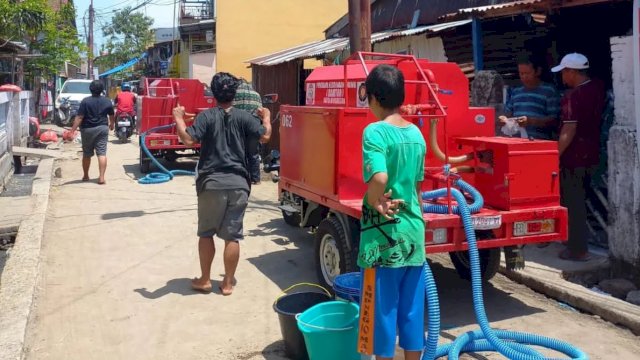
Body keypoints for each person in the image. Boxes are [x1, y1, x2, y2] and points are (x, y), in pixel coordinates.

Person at [173, 72, 272, 295]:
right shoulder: (245, 118)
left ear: (213, 94)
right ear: (234, 94)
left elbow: (187, 139)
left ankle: (205, 280)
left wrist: (179, 118)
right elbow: (265, 136)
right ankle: (227, 283)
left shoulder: (206, 117)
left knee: (206, 233)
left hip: (211, 183)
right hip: (239, 184)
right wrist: (266, 117)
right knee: (233, 235)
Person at [357, 64, 427, 360]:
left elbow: (380, 178)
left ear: (373, 97)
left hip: (382, 237)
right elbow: (417, 189)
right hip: (414, 232)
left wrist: (376, 201)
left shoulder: (375, 132)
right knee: (412, 310)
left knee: (381, 311)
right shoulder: (417, 134)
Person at [552, 53, 605, 261]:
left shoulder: (573, 96)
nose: (562, 76)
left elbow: (569, 130)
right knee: (582, 201)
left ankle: (577, 249)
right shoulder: (598, 88)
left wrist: (554, 156)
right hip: (593, 155)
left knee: (573, 204)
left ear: (572, 72)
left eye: (564, 71)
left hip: (574, 158)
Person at [500, 54, 561, 140]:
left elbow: (555, 121)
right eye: (521, 73)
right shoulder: (516, 92)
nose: (524, 77)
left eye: (527, 73)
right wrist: (504, 119)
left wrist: (531, 121)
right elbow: (508, 113)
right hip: (516, 142)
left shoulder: (549, 91)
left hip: (539, 143)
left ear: (538, 71)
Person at [70, 80, 114, 185]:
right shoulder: (107, 101)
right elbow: (112, 115)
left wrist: (72, 130)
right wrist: (112, 124)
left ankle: (85, 176)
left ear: (90, 89)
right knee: (102, 153)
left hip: (87, 130)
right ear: (102, 90)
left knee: (87, 154)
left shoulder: (85, 101)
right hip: (102, 129)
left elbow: (80, 117)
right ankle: (102, 178)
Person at [233, 79, 263, 185]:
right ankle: (256, 179)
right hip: (254, 125)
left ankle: (240, 177)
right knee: (253, 153)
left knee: (237, 152)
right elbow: (261, 112)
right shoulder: (257, 95)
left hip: (239, 125)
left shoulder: (234, 93)